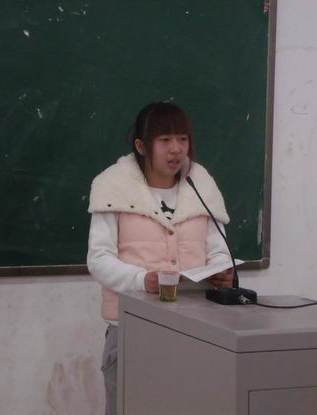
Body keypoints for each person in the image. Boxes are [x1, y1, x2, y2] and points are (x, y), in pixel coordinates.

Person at [86, 102, 233, 415]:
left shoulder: (201, 183)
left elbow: (219, 248)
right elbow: (98, 258)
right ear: (142, 146)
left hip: (196, 329)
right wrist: (142, 280)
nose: (176, 149)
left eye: (182, 139)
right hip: (132, 329)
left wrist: (222, 271)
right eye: (165, 140)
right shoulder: (112, 186)